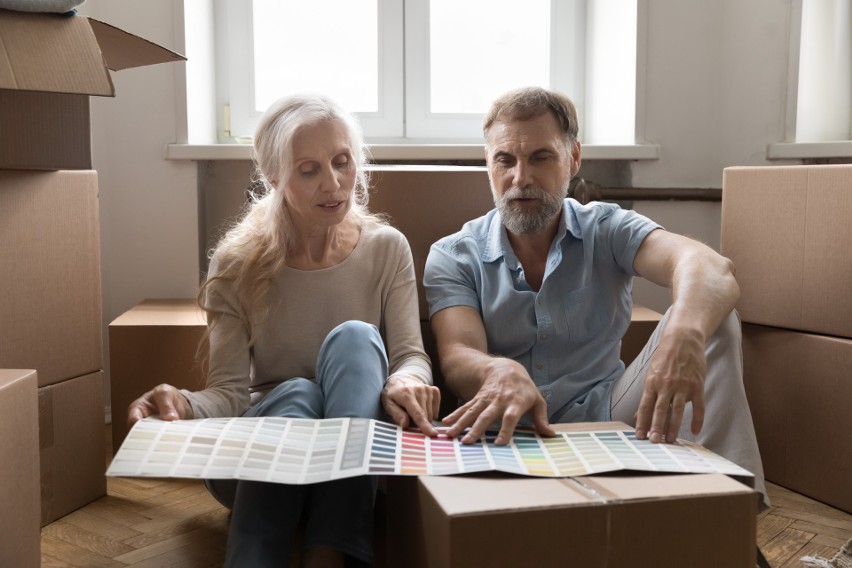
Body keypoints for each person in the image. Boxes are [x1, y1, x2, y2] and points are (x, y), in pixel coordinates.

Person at [128, 94, 440, 567]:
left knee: (356, 338)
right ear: (274, 177)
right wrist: (182, 402)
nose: (333, 184)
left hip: (351, 470)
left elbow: (410, 356)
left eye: (342, 162)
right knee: (296, 394)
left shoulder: (386, 249)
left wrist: (408, 379)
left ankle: (329, 553)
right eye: (309, 169)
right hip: (257, 469)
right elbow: (230, 395)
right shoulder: (238, 261)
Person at [423, 86, 767, 507]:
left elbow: (711, 268)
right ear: (488, 165)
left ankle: (726, 509)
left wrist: (685, 333)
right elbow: (457, 354)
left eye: (541, 157)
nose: (521, 178)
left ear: (574, 158)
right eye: (505, 160)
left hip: (608, 416)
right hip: (504, 428)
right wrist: (495, 371)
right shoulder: (453, 253)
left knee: (713, 320)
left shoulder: (607, 228)